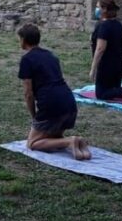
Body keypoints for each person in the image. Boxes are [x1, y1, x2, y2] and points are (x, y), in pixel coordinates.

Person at [17, 23, 91, 160]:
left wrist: (35, 117)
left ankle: (70, 141)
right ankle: (79, 143)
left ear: (23, 40)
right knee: (52, 138)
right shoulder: (51, 55)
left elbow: (28, 94)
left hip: (51, 105)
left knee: (32, 143)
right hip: (68, 102)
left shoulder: (27, 59)